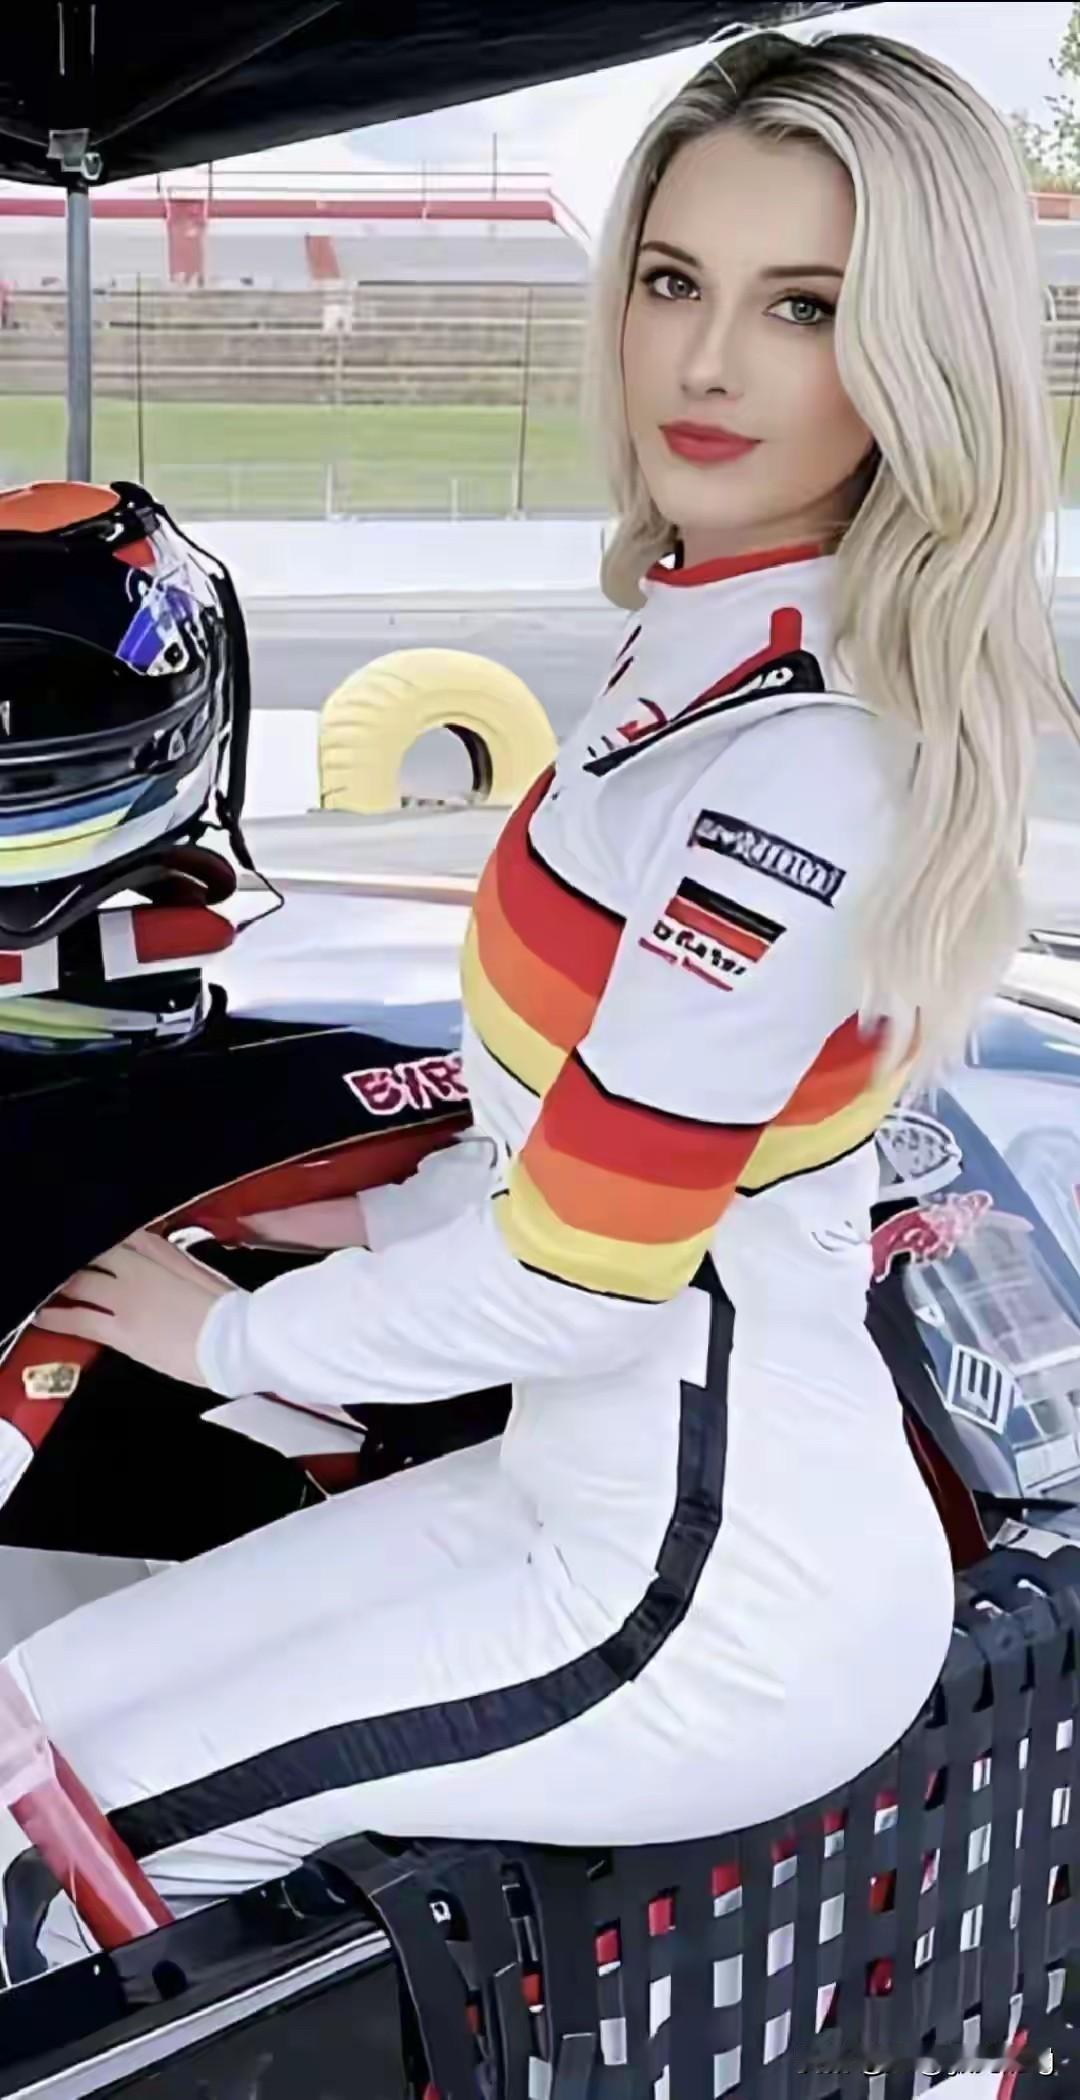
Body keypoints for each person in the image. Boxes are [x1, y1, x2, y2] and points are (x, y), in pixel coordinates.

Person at [10, 22, 1078, 1965]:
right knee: (26, 1729)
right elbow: (570, 1138)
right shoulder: (703, 643)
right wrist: (354, 1223)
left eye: (804, 306)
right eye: (674, 281)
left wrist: (233, 1334)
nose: (706, 362)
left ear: (917, 353)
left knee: (44, 1873)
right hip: (582, 1487)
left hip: (714, 1595)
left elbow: (585, 1279)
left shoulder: (806, 764)